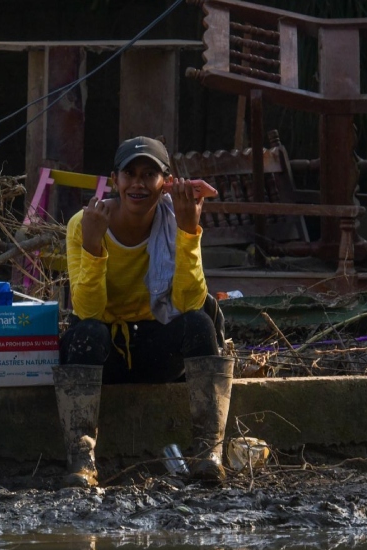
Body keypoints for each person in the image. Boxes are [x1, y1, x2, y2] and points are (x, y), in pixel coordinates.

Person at [53, 136, 234, 488]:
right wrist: (93, 245)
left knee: (199, 323)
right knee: (85, 333)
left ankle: (207, 454)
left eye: (149, 174)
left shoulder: (174, 219)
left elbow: (189, 302)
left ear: (164, 182)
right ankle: (82, 460)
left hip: (155, 350)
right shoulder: (85, 223)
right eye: (129, 174)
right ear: (114, 180)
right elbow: (88, 310)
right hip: (106, 356)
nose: (137, 184)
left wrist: (187, 232)